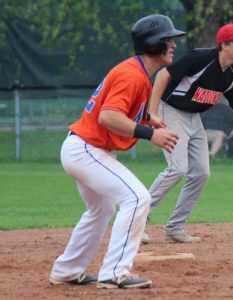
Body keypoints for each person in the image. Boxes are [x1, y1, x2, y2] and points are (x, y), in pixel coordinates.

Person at [49, 14, 185, 289]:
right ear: (154, 42)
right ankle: (115, 273)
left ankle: (67, 270)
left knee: (101, 209)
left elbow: (120, 111)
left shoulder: (137, 73)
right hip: (86, 150)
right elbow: (108, 117)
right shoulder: (131, 74)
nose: (173, 45)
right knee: (137, 198)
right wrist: (150, 134)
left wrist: (148, 119)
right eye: (169, 40)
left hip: (84, 148)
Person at [142, 23, 233, 244]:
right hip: (171, 110)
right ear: (224, 45)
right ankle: (136, 221)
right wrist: (152, 112)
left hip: (193, 118)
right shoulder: (201, 59)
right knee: (176, 168)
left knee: (201, 173)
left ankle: (175, 228)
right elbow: (162, 76)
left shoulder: (231, 76)